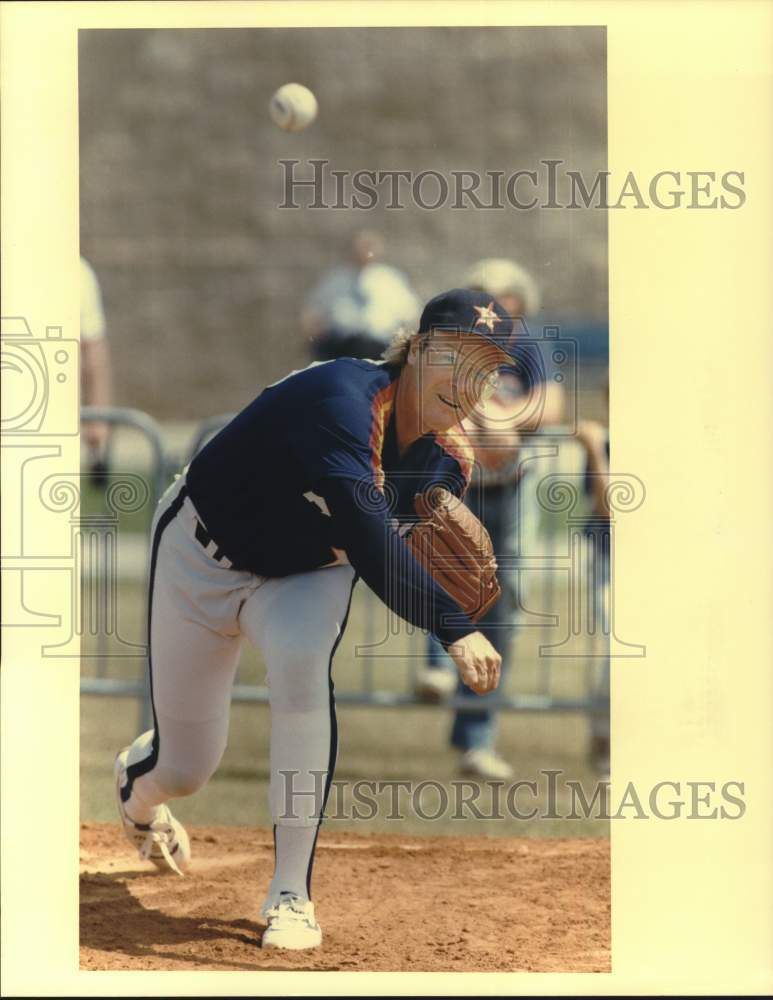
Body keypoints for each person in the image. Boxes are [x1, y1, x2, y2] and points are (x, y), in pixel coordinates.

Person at [114, 289, 519, 951]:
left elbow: (389, 547)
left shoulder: (446, 461)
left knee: (303, 675)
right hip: (200, 554)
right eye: (452, 355)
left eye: (485, 367)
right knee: (186, 768)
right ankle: (137, 790)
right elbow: (369, 538)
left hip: (306, 573)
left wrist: (440, 585)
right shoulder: (341, 399)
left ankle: (290, 893)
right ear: (415, 347)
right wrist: (452, 624)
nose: (464, 380)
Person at [413, 259, 564, 781]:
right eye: (482, 294)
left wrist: (494, 415)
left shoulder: (526, 344)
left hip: (505, 489)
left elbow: (549, 404)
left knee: (498, 605)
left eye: (502, 296)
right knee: (434, 578)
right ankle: (435, 666)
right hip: (448, 483)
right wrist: (478, 412)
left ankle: (476, 737)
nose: (492, 305)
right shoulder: (450, 343)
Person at [301, 230, 422, 361]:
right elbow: (312, 314)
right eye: (361, 247)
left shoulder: (390, 279)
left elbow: (412, 315)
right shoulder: (335, 279)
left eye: (370, 247)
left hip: (380, 347)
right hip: (340, 347)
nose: (365, 252)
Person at [80, 256, 113, 481]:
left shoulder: (76, 272)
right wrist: (97, 420)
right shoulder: (76, 271)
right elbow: (93, 354)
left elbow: (94, 355)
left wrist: (97, 420)